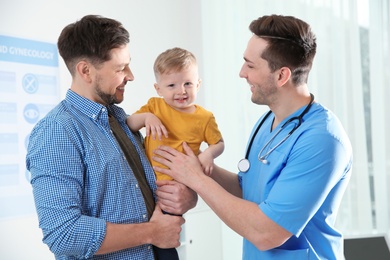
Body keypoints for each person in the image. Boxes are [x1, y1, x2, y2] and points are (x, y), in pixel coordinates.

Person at [152, 14, 353, 259]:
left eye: (250, 65)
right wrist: (201, 164)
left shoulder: (322, 140)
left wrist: (196, 180)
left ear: (281, 76)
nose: (241, 73)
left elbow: (267, 232)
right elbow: (248, 191)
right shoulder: (266, 122)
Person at [26, 15, 197, 259]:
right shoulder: (57, 132)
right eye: (120, 68)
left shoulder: (121, 120)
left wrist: (186, 198)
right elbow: (63, 234)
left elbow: (148, 191)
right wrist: (151, 232)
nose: (131, 75)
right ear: (86, 71)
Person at [127, 47, 224, 178]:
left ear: (198, 85)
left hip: (182, 182)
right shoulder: (155, 106)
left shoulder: (205, 117)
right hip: (149, 179)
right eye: (172, 85)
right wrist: (146, 117)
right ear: (159, 89)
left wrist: (208, 154)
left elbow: (219, 143)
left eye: (188, 83)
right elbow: (129, 124)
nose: (181, 91)